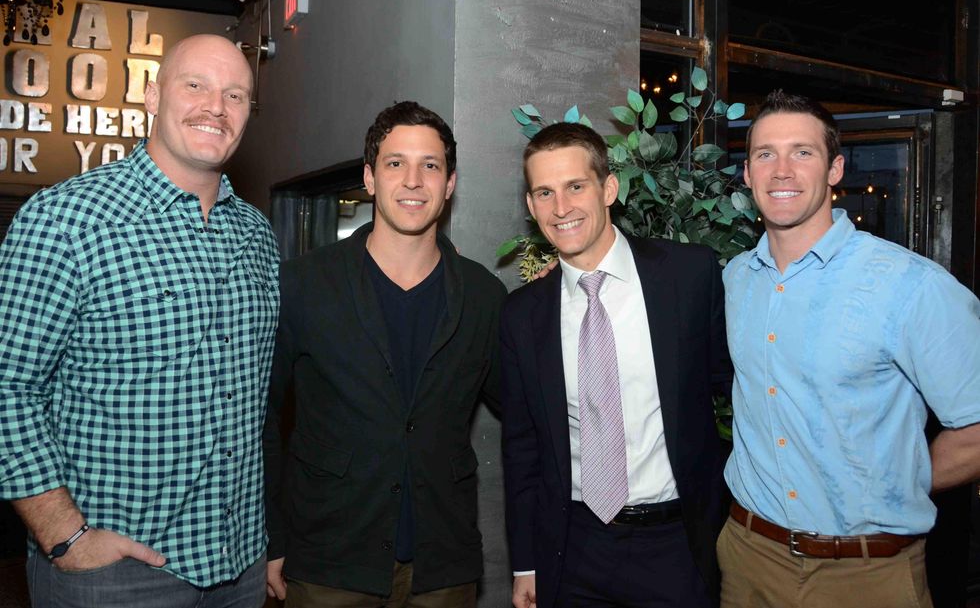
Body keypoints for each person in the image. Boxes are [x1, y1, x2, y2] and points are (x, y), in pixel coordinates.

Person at [0, 34, 279, 607]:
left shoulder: (257, 236)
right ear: (152, 96)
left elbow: (262, 399)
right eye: (194, 85)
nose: (215, 107)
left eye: (235, 95)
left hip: (240, 566)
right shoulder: (65, 220)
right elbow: (9, 388)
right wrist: (64, 536)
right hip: (113, 574)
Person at [718, 90, 980, 608]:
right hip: (749, 558)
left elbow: (975, 429)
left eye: (803, 152)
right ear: (746, 174)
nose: (782, 170)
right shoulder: (736, 280)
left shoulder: (911, 286)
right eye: (765, 154)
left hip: (868, 573)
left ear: (835, 168)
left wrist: (895, 483)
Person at [263, 100, 507, 607]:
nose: (414, 180)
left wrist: (555, 304)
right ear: (370, 179)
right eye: (396, 163)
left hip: (443, 568)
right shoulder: (304, 284)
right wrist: (273, 538)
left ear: (451, 183)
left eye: (431, 165)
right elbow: (261, 418)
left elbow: (526, 407)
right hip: (329, 562)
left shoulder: (484, 296)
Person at [500, 122, 731, 608]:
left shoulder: (688, 276)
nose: (561, 208)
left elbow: (730, 391)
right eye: (544, 192)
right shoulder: (523, 313)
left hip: (677, 546)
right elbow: (522, 448)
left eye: (575, 186)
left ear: (609, 188)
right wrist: (525, 562)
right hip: (574, 549)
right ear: (530, 205)